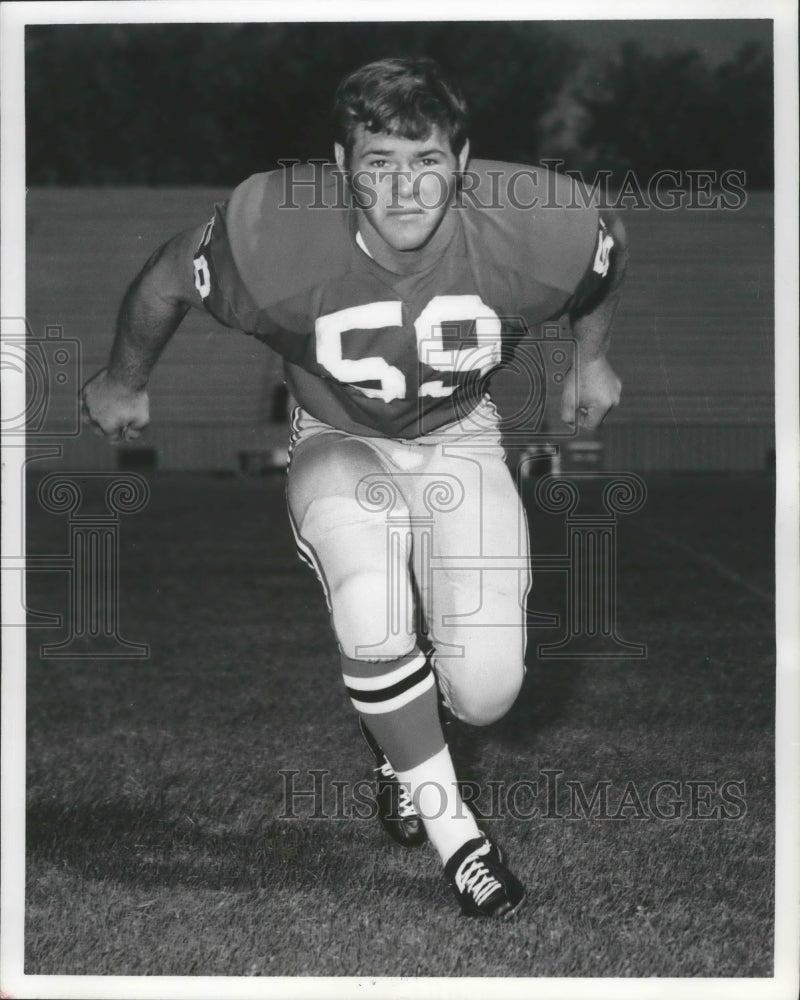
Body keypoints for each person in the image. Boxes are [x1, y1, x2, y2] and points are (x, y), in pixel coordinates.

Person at [81, 56, 625, 919]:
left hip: (459, 435)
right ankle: (459, 837)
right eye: (379, 164)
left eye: (426, 162)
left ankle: (398, 744)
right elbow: (165, 275)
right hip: (338, 435)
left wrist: (591, 360)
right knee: (370, 604)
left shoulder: (537, 224)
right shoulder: (275, 234)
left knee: (487, 692)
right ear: (341, 170)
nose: (406, 191)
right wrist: (122, 379)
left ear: (463, 160)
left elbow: (602, 260)